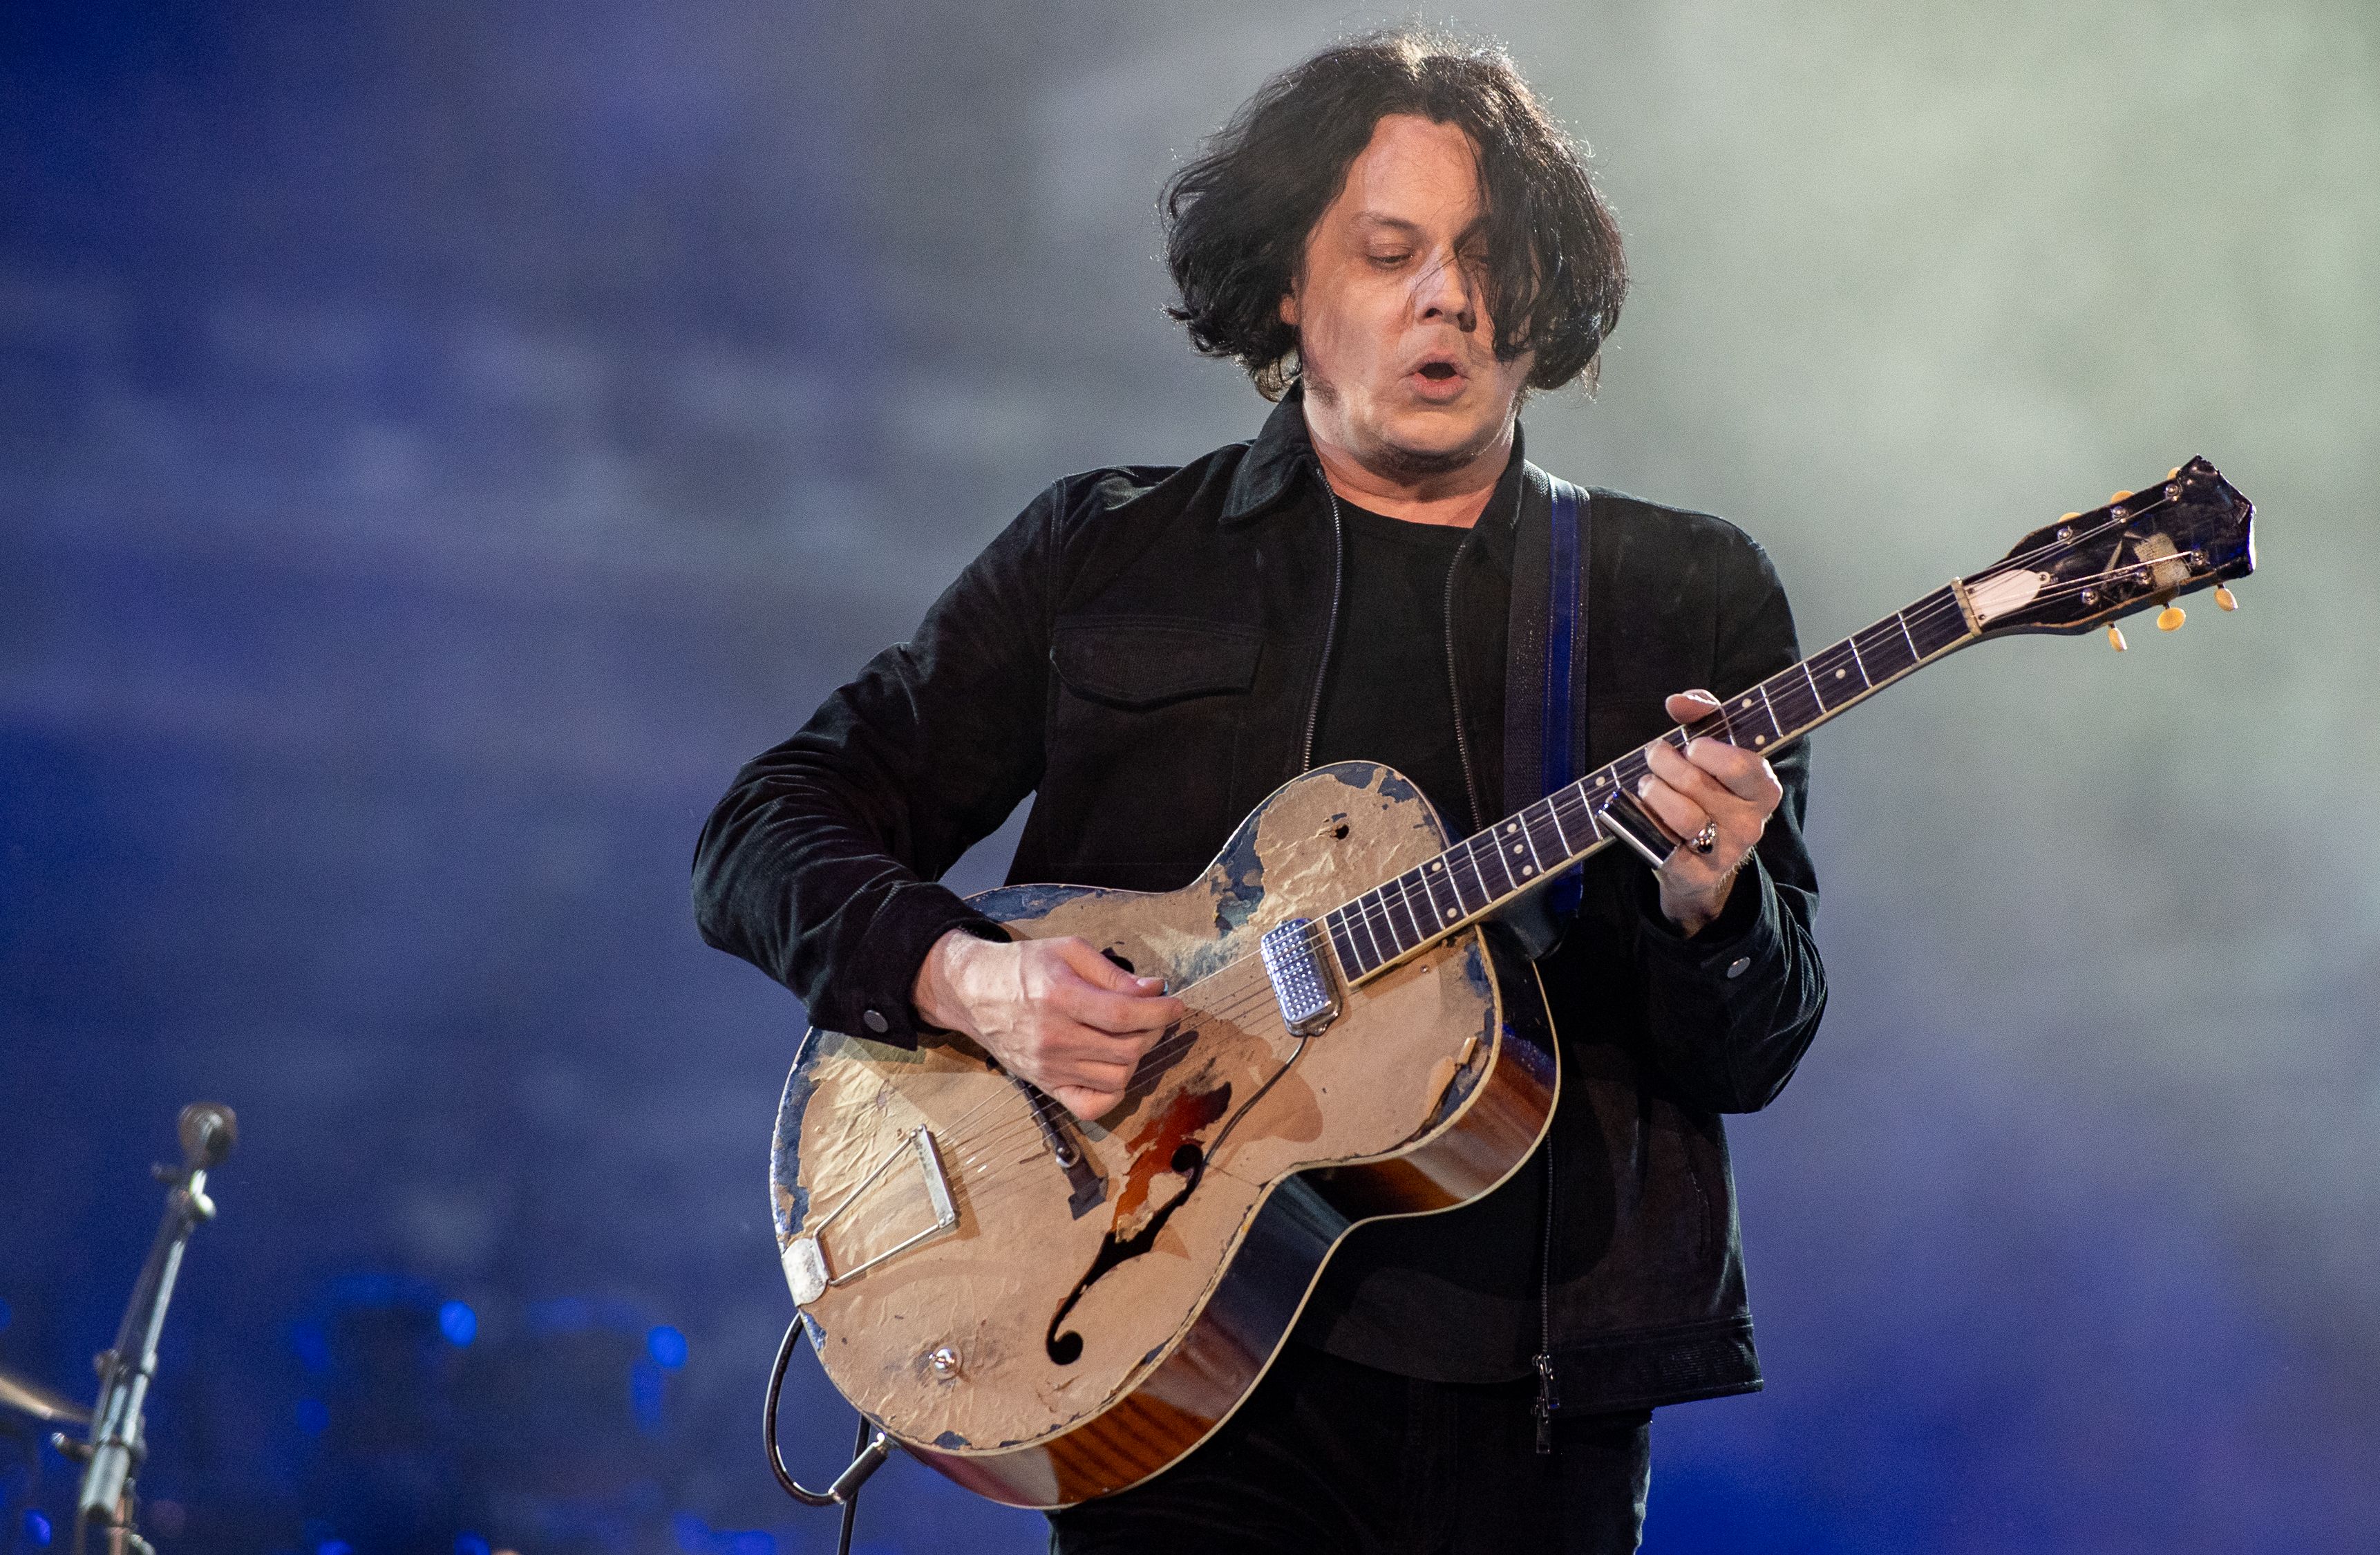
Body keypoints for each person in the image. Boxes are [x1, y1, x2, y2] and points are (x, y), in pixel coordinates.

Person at [694, 29, 1827, 1554]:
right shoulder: (1111, 554)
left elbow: (1755, 1043)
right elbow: (765, 828)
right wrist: (969, 979)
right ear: (1288, 287)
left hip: (1535, 1395)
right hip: (1160, 1366)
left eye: (1490, 258)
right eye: (1388, 251)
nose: (1448, 297)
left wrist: (1712, 906)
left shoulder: (1676, 596)